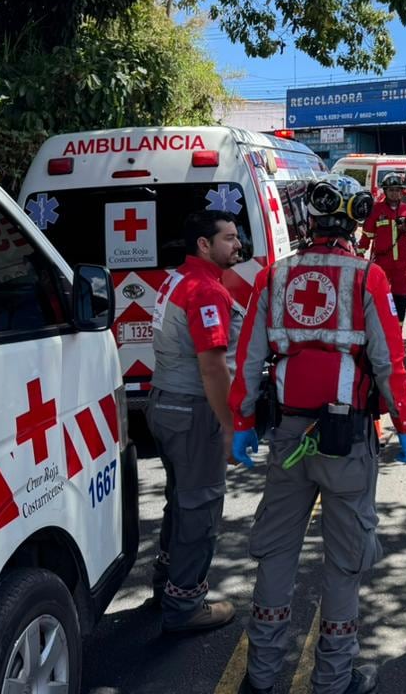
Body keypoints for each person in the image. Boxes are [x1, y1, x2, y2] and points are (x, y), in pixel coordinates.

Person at [228, 174, 406, 694]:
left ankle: (261, 677)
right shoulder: (367, 277)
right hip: (346, 437)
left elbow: (249, 356)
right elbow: (388, 360)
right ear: (356, 222)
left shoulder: (275, 274)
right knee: (345, 560)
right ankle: (333, 680)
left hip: (289, 434)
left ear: (307, 222)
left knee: (276, 551)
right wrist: (405, 424)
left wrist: (243, 421)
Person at [147, 210, 246, 632]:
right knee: (200, 508)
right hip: (192, 411)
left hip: (164, 404)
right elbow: (212, 368)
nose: (238, 245)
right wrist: (229, 427)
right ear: (203, 245)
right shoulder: (206, 290)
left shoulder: (176, 279)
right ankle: (185, 605)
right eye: (228, 238)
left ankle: (167, 583)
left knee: (181, 503)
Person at [358, 170, 406, 321]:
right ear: (385, 191)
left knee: (401, 300)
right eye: (391, 190)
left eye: (397, 190)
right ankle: (382, 332)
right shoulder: (376, 210)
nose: (394, 193)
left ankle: (397, 336)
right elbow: (366, 235)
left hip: (403, 266)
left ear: (402, 192)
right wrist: (359, 256)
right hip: (381, 265)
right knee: (380, 299)